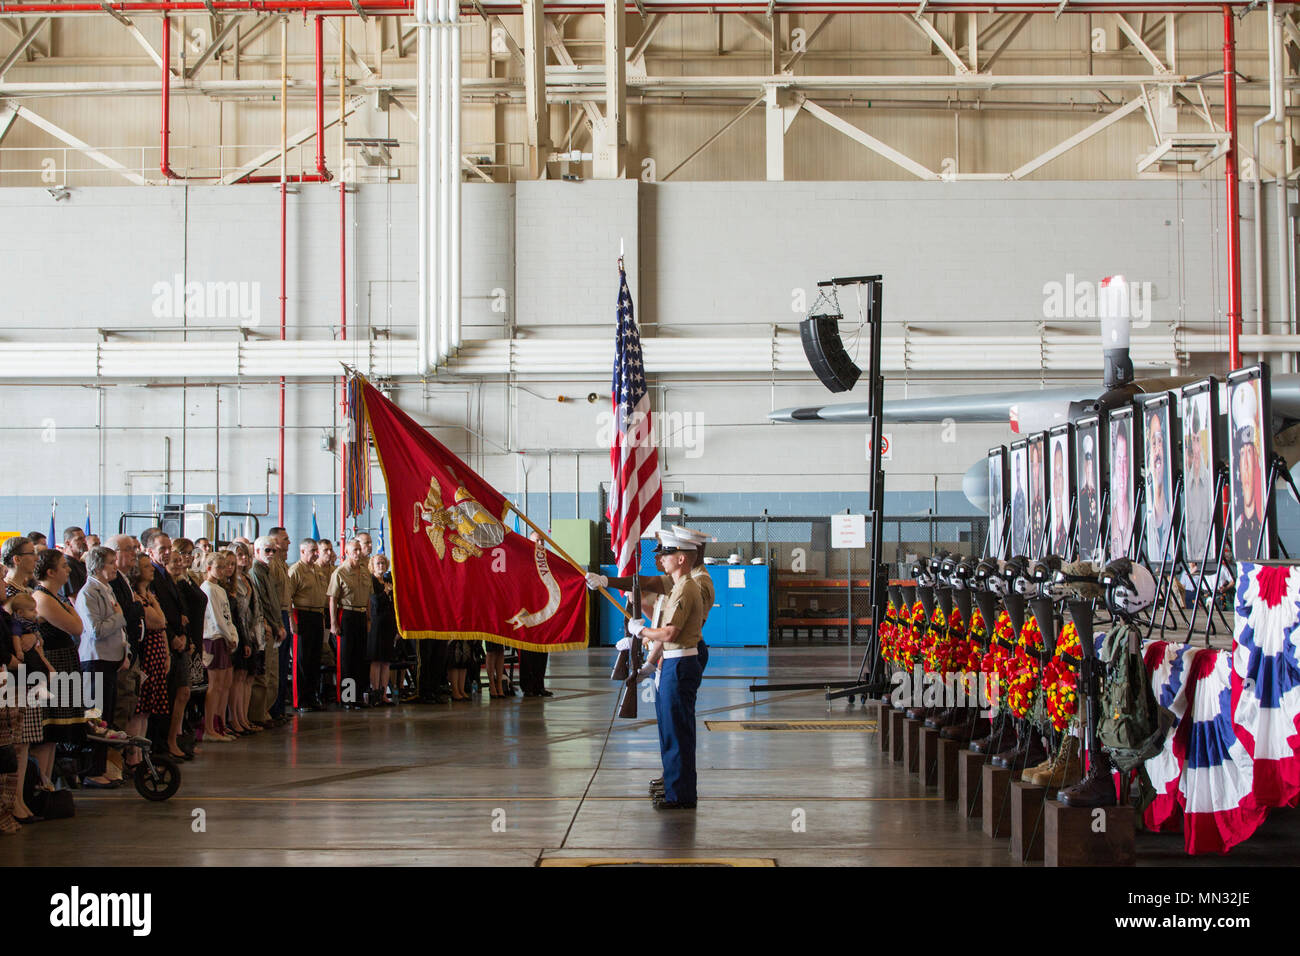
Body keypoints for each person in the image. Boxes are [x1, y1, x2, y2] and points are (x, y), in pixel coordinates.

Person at [627, 532, 704, 810]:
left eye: (667, 554)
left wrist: (641, 630)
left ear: (681, 558)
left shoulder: (684, 588)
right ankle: (676, 789)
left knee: (677, 732)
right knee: (673, 730)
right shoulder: (678, 586)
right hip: (674, 661)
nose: (661, 558)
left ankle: (680, 795)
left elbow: (671, 631)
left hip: (679, 662)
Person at [75, 546, 127, 783]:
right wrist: (119, 617)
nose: (115, 566)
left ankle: (102, 765)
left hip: (110, 659)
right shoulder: (88, 593)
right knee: (95, 716)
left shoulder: (107, 589)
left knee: (106, 716)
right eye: (110, 563)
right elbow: (95, 630)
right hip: (95, 660)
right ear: (97, 567)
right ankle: (91, 772)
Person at [130, 555, 172, 751]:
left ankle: (142, 752)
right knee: (139, 707)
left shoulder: (149, 595)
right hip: (146, 651)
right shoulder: (138, 597)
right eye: (146, 567)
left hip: (158, 651)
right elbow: (158, 621)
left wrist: (167, 654)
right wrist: (155, 605)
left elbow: (162, 628)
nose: (152, 569)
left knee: (148, 709)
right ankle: (134, 753)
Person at [327, 538, 373, 709]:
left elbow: (368, 598)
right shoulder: (339, 572)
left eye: (360, 549)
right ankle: (347, 698)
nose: (358, 553)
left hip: (361, 614)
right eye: (355, 549)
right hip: (346, 614)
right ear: (346, 552)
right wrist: (333, 623)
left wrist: (368, 618)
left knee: (361, 658)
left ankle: (359, 697)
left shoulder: (364, 572)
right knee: (346, 659)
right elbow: (333, 599)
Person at [200, 553, 239, 742]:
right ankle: (209, 727)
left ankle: (220, 723)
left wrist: (233, 635)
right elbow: (215, 617)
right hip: (213, 637)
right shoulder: (207, 588)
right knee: (215, 686)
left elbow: (227, 617)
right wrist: (227, 635)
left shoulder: (220, 589)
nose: (223, 571)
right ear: (208, 568)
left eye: (225, 567)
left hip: (224, 637)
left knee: (225, 684)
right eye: (219, 567)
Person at [224, 543, 261, 735]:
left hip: (252, 632)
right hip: (239, 633)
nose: (244, 559)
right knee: (237, 677)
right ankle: (234, 718)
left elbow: (255, 606)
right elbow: (236, 612)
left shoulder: (247, 578)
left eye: (245, 555)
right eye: (239, 555)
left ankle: (244, 717)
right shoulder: (230, 582)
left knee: (249, 676)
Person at [248, 535, 285, 726]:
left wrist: (280, 624)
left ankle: (266, 711)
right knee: (263, 674)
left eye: (273, 550)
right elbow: (262, 602)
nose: (271, 554)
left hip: (275, 625)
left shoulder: (268, 571)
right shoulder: (256, 571)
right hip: (266, 627)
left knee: (273, 675)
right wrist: (274, 624)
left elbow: (274, 601)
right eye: (267, 551)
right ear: (256, 552)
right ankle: (258, 714)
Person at [289, 538, 325, 711]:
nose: (316, 553)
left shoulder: (317, 570)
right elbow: (288, 598)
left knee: (314, 659)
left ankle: (312, 696)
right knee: (302, 659)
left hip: (317, 615)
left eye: (317, 550)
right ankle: (300, 700)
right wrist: (291, 622)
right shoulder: (296, 570)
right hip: (301, 614)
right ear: (302, 551)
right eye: (313, 550)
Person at [267, 527, 294, 721]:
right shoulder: (272, 565)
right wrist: (278, 622)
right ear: (275, 540)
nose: (288, 542)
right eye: (285, 539)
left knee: (284, 664)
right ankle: (272, 709)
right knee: (275, 665)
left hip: (285, 612)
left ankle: (280, 708)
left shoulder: (283, 564)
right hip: (277, 614)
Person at [366, 554, 399, 705]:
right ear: (372, 565)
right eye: (378, 563)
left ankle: (384, 693)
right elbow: (375, 601)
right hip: (376, 622)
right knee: (376, 659)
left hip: (389, 623)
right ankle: (375, 692)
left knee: (386, 661)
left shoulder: (388, 580)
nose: (381, 566)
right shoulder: (371, 580)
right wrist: (385, 592)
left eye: (384, 563)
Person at [1184, 400, 1213, 563]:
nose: (1195, 449)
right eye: (1192, 441)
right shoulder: (1187, 488)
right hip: (1195, 559)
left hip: (1208, 557)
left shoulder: (1208, 482)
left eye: (1197, 440)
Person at [1145, 406, 1172, 561]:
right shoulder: (1147, 524)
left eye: (1160, 441)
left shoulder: (1175, 511)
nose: (1157, 452)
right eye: (1153, 443)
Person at [1110, 426, 1132, 560]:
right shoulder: (1111, 523)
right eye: (1119, 460)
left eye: (1125, 461)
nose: (1122, 469)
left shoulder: (1136, 518)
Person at [1077, 431, 1100, 560]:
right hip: (1085, 545)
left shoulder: (1097, 493)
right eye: (1087, 462)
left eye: (1091, 462)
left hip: (1098, 546)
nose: (1089, 465)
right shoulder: (1083, 494)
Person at [1050, 442, 1069, 555]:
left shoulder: (1069, 533)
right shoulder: (1049, 533)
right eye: (1055, 476)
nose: (1057, 483)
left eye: (1060, 475)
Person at [60, 526, 89, 601]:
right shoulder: (68, 565)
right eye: (79, 539)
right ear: (68, 543)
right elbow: (74, 598)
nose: (84, 542)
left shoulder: (81, 563)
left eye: (84, 538)